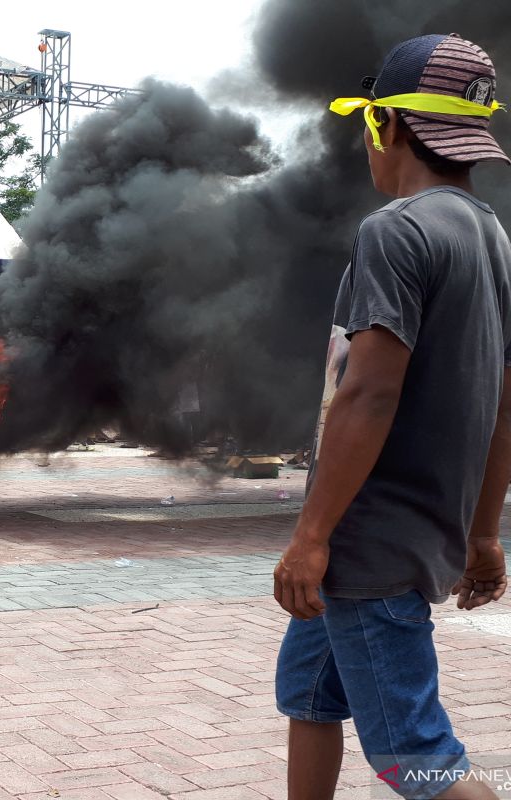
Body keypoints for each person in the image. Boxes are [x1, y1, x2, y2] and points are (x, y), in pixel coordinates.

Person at [275, 34, 511, 800]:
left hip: (366, 543)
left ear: (392, 127)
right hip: (411, 534)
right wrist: (482, 535)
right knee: (309, 694)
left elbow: (369, 394)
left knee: (412, 753)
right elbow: (504, 404)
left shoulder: (397, 231)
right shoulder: (492, 239)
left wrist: (311, 538)